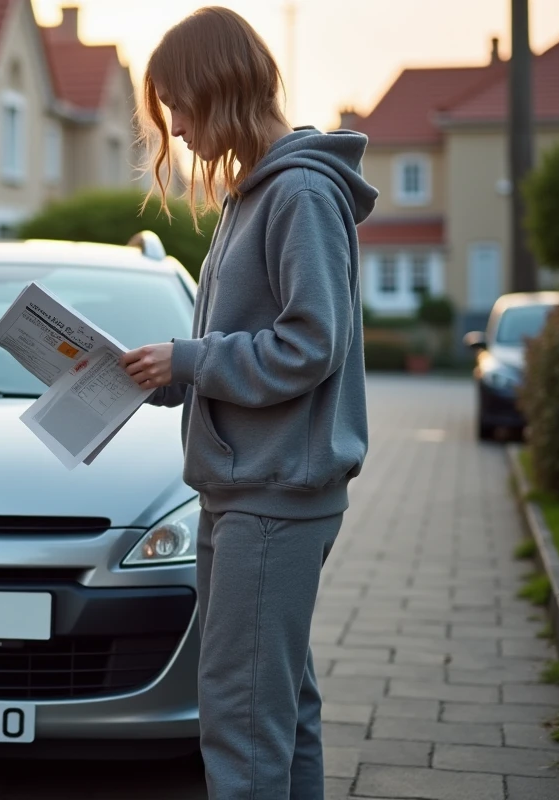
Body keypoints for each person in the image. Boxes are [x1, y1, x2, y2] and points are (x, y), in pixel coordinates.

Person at [119, 6, 378, 799]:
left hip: (273, 498)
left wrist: (193, 360)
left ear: (218, 89)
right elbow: (256, 346)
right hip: (248, 492)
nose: (178, 130)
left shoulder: (297, 191)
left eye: (180, 107)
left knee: (241, 722)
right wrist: (169, 376)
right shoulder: (253, 195)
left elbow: (309, 343)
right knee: (279, 710)